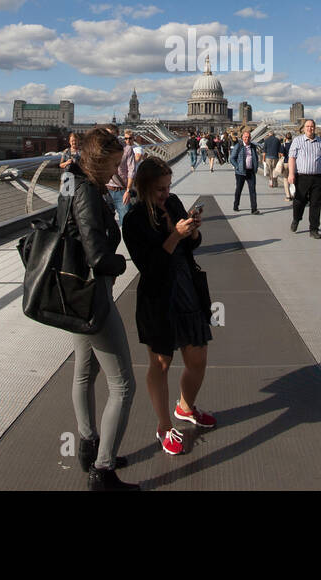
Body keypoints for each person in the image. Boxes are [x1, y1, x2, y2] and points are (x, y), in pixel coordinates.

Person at [122, 156, 215, 456]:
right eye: (160, 189)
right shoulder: (133, 220)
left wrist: (194, 231)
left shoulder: (173, 203)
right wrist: (175, 235)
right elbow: (150, 267)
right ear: (144, 187)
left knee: (198, 359)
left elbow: (191, 247)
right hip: (158, 298)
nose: (166, 193)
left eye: (168, 186)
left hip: (188, 289)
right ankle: (163, 427)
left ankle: (186, 407)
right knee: (161, 364)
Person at [64, 126, 139, 490]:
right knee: (123, 385)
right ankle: (103, 471)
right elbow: (97, 255)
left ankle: (89, 445)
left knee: (84, 372)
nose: (115, 172)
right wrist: (121, 263)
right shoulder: (89, 195)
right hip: (93, 295)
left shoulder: (70, 180)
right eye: (111, 164)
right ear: (98, 160)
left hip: (74, 291)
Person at [288, 119, 321, 239]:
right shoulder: (297, 141)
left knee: (316, 204)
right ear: (303, 128)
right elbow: (291, 158)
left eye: (312, 126)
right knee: (299, 202)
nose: (309, 128)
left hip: (318, 178)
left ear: (315, 128)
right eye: (307, 126)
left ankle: (314, 229)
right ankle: (296, 219)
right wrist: (291, 174)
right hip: (302, 177)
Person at [105, 130, 139, 224]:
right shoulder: (102, 149)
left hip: (121, 191)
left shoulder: (127, 149)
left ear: (117, 134)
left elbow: (132, 170)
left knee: (126, 222)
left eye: (112, 135)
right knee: (105, 223)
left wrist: (128, 190)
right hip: (106, 190)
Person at [230, 129, 262, 214]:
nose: (247, 139)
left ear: (250, 138)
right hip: (240, 172)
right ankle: (236, 205)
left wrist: (255, 167)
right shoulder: (238, 146)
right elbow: (232, 158)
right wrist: (237, 167)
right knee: (239, 190)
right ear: (242, 137)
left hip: (250, 171)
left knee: (253, 191)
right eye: (245, 137)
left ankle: (254, 209)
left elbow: (255, 156)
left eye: (248, 137)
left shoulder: (253, 146)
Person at [278, 133, 293, 200]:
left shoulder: (283, 145)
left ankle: (288, 196)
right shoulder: (294, 145)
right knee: (293, 179)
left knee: (285, 179)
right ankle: (293, 194)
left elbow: (281, 154)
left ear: (286, 138)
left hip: (286, 163)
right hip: (293, 163)